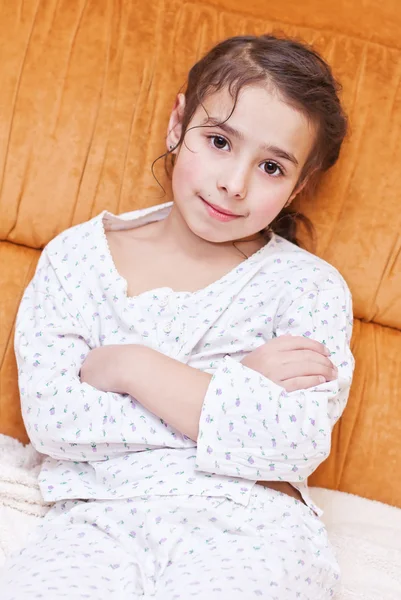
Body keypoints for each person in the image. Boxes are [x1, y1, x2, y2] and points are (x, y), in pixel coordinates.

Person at [1, 34, 354, 599]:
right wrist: (236, 393)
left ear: (299, 186)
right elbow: (53, 419)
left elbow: (295, 439)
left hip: (251, 522)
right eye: (218, 141)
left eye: (270, 167)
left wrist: (128, 368)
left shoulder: (308, 287)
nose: (233, 184)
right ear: (178, 123)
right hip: (98, 516)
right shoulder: (78, 257)